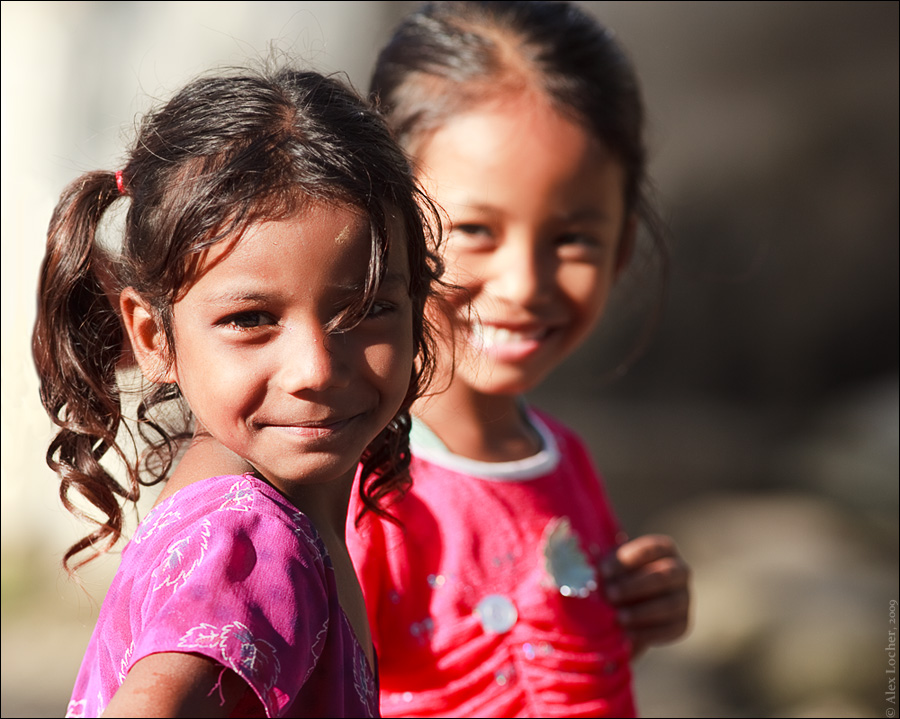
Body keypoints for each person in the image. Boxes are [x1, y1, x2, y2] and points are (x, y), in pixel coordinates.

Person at [32, 65, 443, 718]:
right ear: (153, 337)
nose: (315, 369)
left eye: (367, 308)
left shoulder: (261, 511)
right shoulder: (251, 540)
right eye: (251, 319)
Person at [343, 2, 691, 717]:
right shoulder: (363, 486)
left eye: (572, 240)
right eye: (476, 229)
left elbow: (547, 665)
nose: (526, 285)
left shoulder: (565, 460)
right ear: (386, 227)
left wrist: (631, 615)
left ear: (622, 246)